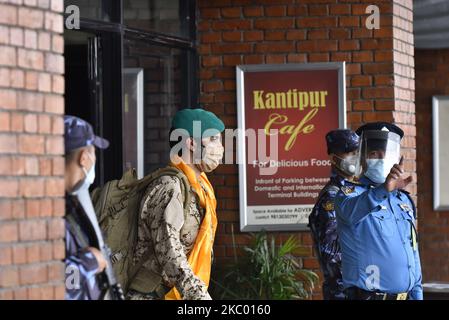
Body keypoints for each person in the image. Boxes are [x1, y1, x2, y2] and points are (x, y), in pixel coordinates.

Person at [126, 108, 225, 300]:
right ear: (191, 143)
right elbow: (169, 250)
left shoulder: (200, 188)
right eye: (213, 139)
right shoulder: (169, 187)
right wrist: (198, 295)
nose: (220, 147)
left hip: (179, 293)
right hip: (153, 295)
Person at [334, 122, 422, 300]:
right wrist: (383, 189)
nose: (382, 159)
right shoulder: (347, 196)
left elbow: (412, 253)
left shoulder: (402, 200)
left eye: (387, 154)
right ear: (363, 158)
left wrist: (417, 294)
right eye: (374, 154)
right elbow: (351, 213)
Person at [309, 129, 360, 300]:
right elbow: (330, 253)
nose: (355, 157)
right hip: (344, 291)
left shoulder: (355, 191)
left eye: (356, 152)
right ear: (333, 157)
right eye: (349, 153)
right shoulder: (332, 196)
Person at [64, 115, 110, 300]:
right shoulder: (49, 211)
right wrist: (89, 262)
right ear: (84, 158)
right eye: (94, 153)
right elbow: (46, 284)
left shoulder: (70, 205)